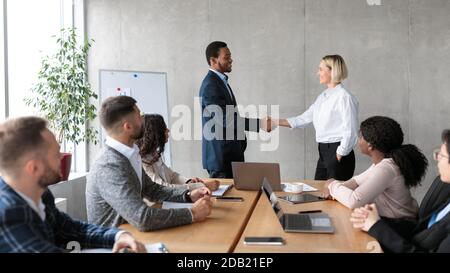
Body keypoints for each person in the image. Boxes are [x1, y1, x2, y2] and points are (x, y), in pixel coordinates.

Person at [0, 116, 146, 253]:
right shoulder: (8, 214)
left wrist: (119, 236)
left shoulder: (40, 193)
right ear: (34, 168)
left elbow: (71, 229)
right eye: (56, 153)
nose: (62, 158)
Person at [86, 96, 213, 232]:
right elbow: (142, 218)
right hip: (112, 243)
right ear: (127, 127)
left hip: (131, 234)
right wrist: (192, 213)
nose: (143, 119)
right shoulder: (109, 165)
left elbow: (153, 190)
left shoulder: (130, 153)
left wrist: (188, 195)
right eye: (139, 116)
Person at [350, 130, 450, 252]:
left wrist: (376, 226)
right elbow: (422, 228)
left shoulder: (388, 167)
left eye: (442, 155)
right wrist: (374, 220)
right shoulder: (442, 184)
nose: (437, 158)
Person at [270, 55, 358, 181]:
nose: (318, 73)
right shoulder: (323, 96)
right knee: (318, 192)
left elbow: (351, 131)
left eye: (321, 69)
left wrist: (339, 155)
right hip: (323, 152)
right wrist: (274, 122)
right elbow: (303, 119)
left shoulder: (344, 97)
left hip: (337, 152)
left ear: (333, 70)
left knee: (333, 197)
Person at [323, 116, 427, 219]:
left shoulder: (387, 168)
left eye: (361, 136)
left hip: (399, 226)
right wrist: (334, 192)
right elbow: (356, 181)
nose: (358, 140)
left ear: (370, 145)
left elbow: (354, 201)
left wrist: (332, 185)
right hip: (392, 221)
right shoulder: (382, 164)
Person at [199, 41, 270, 178]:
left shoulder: (220, 82)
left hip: (230, 156)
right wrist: (259, 124)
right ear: (213, 60)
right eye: (226, 57)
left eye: (230, 56)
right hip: (221, 159)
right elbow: (225, 118)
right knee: (227, 199)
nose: (231, 60)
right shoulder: (211, 85)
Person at [136, 114, 219, 192]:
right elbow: (163, 188)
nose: (168, 130)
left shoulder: (154, 154)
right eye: (164, 128)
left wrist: (188, 181)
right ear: (155, 134)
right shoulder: (142, 162)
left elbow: (172, 176)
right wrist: (201, 187)